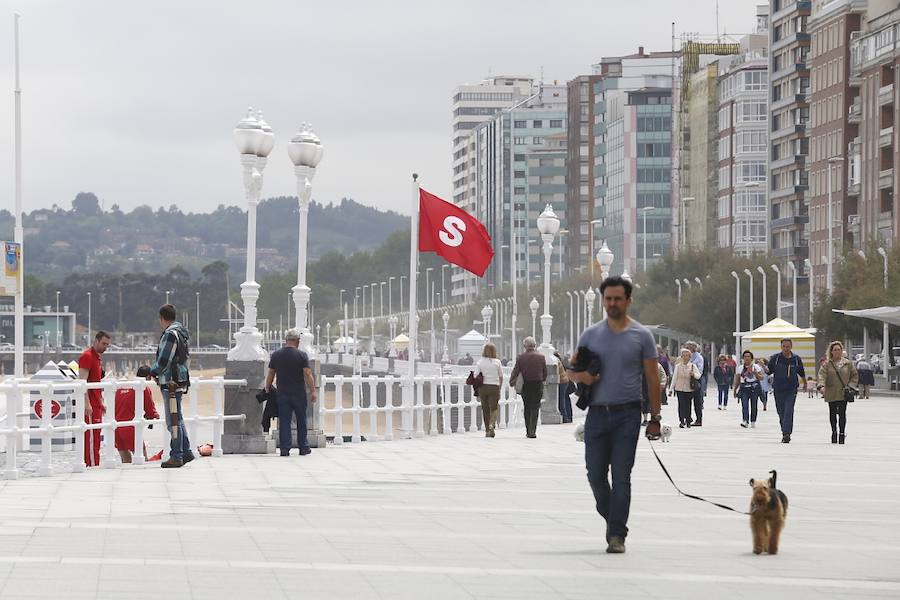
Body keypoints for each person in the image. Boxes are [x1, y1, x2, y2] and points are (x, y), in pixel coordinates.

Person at [567, 275, 660, 554]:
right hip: (597, 414)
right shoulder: (590, 335)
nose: (612, 303)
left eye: (618, 298)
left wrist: (654, 418)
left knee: (621, 476)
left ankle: (616, 535)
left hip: (627, 415)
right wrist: (581, 375)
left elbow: (653, 379)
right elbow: (570, 371)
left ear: (628, 300)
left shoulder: (642, 336)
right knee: (595, 474)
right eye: (608, 299)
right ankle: (614, 520)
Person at [150, 304, 195, 468]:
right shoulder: (181, 333)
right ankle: (186, 451)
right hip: (180, 378)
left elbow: (164, 361)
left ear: (162, 318)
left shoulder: (170, 334)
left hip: (170, 382)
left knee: (172, 420)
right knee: (178, 417)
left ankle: (176, 455)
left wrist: (151, 370)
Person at [265, 328, 318, 456]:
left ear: (285, 340)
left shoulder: (276, 355)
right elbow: (307, 374)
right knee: (301, 420)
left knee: (284, 421)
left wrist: (267, 387)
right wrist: (313, 390)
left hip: (282, 393)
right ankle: (303, 447)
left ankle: (285, 448)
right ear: (298, 341)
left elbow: (271, 373)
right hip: (298, 393)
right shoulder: (302, 355)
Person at [114, 365, 160, 463]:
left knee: (126, 461)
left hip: (116, 427)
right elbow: (150, 409)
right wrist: (154, 416)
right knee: (142, 458)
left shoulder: (124, 385)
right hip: (130, 427)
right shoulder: (142, 387)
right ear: (148, 377)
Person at [78, 330, 111, 467]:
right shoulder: (87, 356)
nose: (105, 347)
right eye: (103, 343)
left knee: (96, 438)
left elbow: (96, 382)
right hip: (90, 406)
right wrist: (87, 404)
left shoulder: (97, 358)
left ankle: (94, 464)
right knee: (91, 438)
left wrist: (101, 402)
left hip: (96, 404)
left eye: (107, 345)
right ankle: (92, 466)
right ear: (96, 341)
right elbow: (82, 383)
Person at [817, 341, 859, 444]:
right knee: (832, 413)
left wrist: (850, 386)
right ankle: (834, 432)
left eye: (839, 350)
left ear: (842, 351)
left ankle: (842, 433)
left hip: (843, 392)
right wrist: (821, 386)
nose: (837, 352)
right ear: (831, 351)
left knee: (842, 414)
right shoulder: (827, 364)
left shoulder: (848, 364)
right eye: (835, 350)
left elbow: (854, 376)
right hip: (831, 391)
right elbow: (822, 375)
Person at [767, 338, 807, 444]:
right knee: (781, 412)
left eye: (787, 346)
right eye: (784, 346)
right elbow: (769, 370)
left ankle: (786, 433)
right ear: (781, 347)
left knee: (789, 410)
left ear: (791, 346)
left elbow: (801, 372)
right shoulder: (776, 358)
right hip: (778, 389)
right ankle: (784, 430)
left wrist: (805, 383)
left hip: (791, 389)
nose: (786, 348)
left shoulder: (796, 359)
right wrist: (764, 368)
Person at [510, 337, 547, 438]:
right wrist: (542, 379)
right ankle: (533, 431)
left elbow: (516, 370)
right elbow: (545, 372)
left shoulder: (521, 357)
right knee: (535, 407)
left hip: (526, 385)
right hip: (538, 384)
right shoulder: (541, 357)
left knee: (527, 407)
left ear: (525, 346)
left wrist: (512, 381)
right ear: (534, 345)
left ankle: (528, 430)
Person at [474, 342, 504, 437]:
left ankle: (487, 430)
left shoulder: (480, 362)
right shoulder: (497, 362)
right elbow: (501, 376)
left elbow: (475, 375)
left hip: (483, 387)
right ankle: (492, 424)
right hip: (494, 386)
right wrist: (499, 387)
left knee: (485, 408)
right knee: (494, 407)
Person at [669, 348, 701, 429]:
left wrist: (693, 374)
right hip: (679, 388)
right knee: (681, 405)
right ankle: (681, 421)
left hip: (689, 388)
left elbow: (698, 376)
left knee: (688, 405)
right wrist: (670, 389)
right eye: (684, 356)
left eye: (687, 356)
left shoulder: (693, 366)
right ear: (682, 357)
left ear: (689, 357)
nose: (685, 357)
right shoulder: (678, 366)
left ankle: (688, 420)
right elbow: (674, 378)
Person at [733, 350, 763, 428]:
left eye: (748, 356)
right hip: (744, 388)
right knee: (744, 405)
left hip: (754, 388)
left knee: (754, 405)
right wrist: (735, 389)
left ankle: (753, 421)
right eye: (745, 356)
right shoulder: (740, 368)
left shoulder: (756, 367)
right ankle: (745, 420)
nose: (747, 358)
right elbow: (737, 379)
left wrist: (756, 373)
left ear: (751, 358)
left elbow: (761, 378)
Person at [687, 341, 706, 426]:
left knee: (697, 402)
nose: (687, 349)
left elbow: (700, 370)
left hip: (696, 380)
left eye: (689, 347)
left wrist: (693, 374)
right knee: (686, 401)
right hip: (686, 380)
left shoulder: (698, 357)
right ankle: (688, 417)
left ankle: (699, 420)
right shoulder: (686, 356)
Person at [554, 351, 573, 423]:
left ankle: (565, 417)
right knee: (565, 399)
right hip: (565, 381)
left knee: (562, 400)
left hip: (562, 382)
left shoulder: (556, 361)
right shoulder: (561, 360)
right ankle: (568, 417)